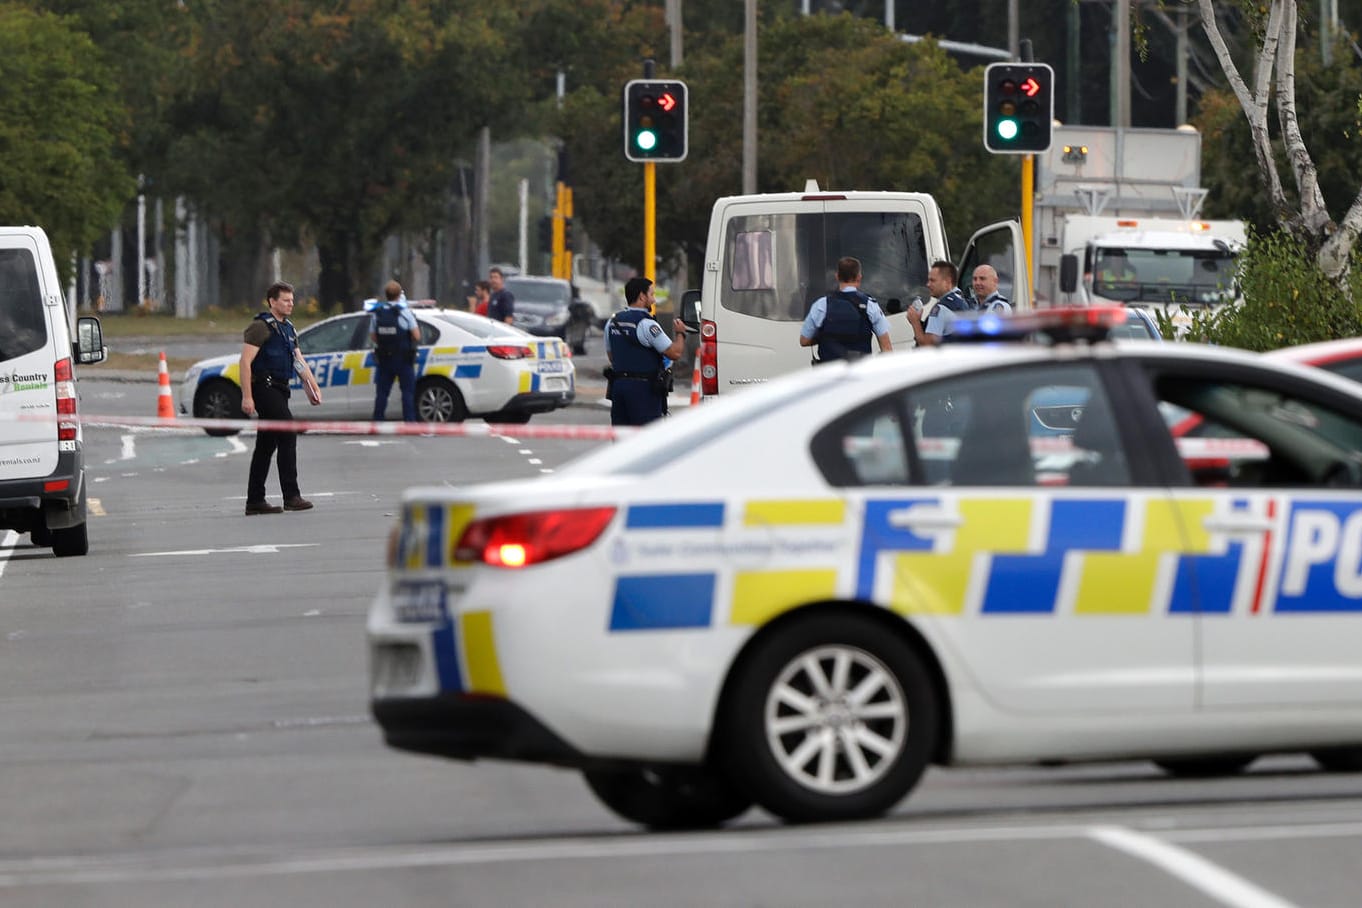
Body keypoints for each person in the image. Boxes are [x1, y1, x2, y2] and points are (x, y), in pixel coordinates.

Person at [239, 281, 322, 515]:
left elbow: (298, 360)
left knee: (265, 446)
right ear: (272, 301)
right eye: (285, 300)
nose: (290, 304)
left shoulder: (288, 328)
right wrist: (247, 396)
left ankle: (255, 500)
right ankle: (291, 495)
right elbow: (245, 362)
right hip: (264, 388)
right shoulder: (260, 327)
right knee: (288, 432)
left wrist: (312, 387)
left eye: (292, 301)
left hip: (280, 389)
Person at [605, 276, 687, 427]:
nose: (654, 300)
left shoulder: (612, 322)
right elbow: (674, 353)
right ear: (642, 297)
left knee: (621, 439)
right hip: (643, 392)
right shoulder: (647, 324)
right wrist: (680, 333)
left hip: (618, 388)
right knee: (646, 439)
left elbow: (612, 357)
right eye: (652, 295)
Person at [799, 256, 893, 364]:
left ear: (837, 276)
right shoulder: (870, 306)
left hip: (830, 374)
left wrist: (823, 338)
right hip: (860, 373)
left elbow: (804, 341)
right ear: (859, 277)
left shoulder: (821, 305)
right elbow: (887, 348)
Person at [369, 279, 421, 422]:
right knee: (407, 393)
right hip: (403, 359)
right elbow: (417, 335)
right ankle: (409, 422)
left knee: (382, 393)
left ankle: (377, 421)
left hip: (385, 359)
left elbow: (373, 336)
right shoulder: (405, 312)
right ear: (399, 295)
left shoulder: (378, 313)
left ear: (386, 295)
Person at [908, 261, 975, 347]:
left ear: (947, 282)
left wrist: (915, 322)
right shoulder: (961, 300)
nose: (928, 284)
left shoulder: (941, 309)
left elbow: (927, 347)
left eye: (932, 280)